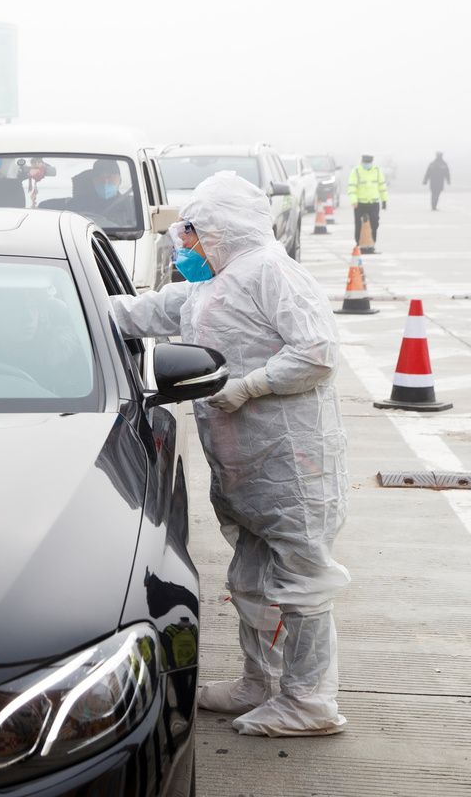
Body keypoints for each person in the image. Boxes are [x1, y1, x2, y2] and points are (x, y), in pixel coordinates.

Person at [110, 172, 350, 737]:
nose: (185, 246)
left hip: (291, 462)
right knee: (251, 577)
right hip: (245, 463)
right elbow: (144, 312)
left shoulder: (270, 272)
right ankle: (259, 681)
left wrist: (250, 386)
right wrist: (66, 305)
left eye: (192, 233)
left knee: (302, 582)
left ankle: (309, 702)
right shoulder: (212, 283)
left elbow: (317, 352)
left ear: (223, 228)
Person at [347, 154, 388, 250]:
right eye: (365, 162)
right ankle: (359, 243)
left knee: (375, 223)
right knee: (359, 224)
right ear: (362, 162)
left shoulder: (377, 171)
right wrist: (353, 201)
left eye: (368, 162)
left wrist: (384, 200)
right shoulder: (356, 171)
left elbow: (382, 187)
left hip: (373, 202)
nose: (367, 164)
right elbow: (352, 187)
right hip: (360, 203)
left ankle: (372, 243)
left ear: (372, 162)